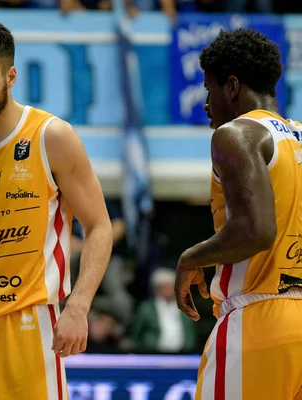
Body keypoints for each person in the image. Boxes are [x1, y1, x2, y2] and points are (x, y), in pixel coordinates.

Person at [0, 21, 113, 400]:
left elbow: (98, 227)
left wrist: (78, 306)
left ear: (11, 76)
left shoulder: (52, 137)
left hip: (27, 324)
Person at [174, 29, 302, 400]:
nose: (206, 103)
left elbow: (256, 230)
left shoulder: (238, 134)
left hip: (258, 323)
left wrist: (190, 257)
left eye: (209, 90)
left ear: (231, 86)